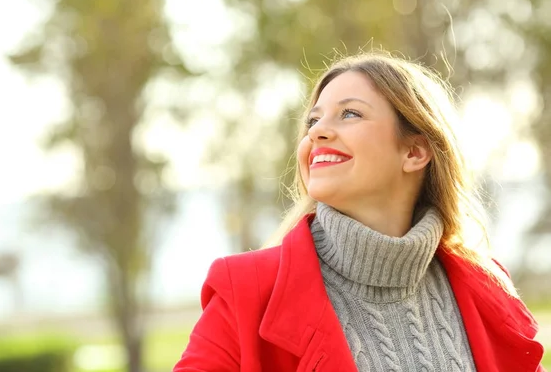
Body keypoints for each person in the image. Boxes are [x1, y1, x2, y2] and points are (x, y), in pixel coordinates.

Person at [174, 52, 545, 371]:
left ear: (415, 152)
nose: (317, 132)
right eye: (313, 121)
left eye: (349, 114)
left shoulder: (488, 286)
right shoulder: (245, 291)